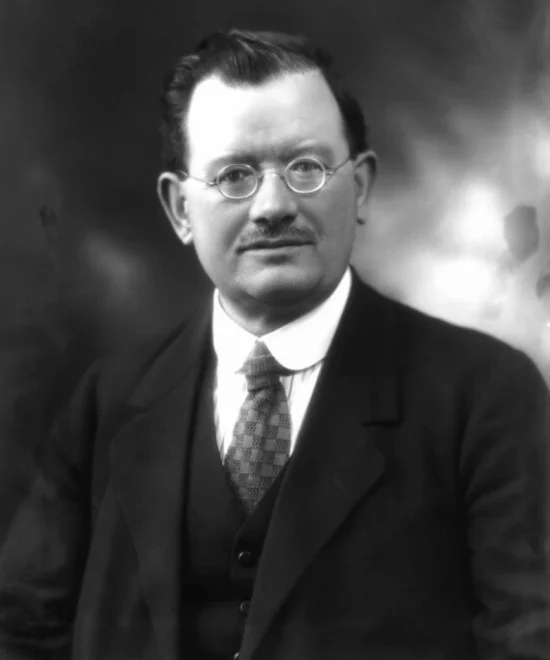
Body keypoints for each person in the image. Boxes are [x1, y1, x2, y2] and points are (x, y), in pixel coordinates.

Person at [0, 28, 549, 660]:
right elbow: (22, 631)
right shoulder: (108, 401)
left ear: (362, 186)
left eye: (306, 168)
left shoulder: (486, 396)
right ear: (180, 209)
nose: (272, 206)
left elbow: (529, 638)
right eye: (234, 175)